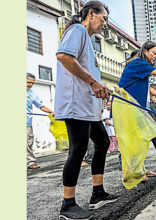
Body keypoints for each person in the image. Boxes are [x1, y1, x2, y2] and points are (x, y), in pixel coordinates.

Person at [55, 1, 117, 219]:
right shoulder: (78, 30)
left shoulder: (88, 41)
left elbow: (86, 70)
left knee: (102, 142)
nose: (105, 24)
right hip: (75, 105)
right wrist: (93, 83)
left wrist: (101, 86)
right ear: (91, 14)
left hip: (88, 107)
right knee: (78, 150)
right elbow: (63, 56)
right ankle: (68, 205)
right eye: (104, 19)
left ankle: (97, 193)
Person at [26, 73, 54, 169]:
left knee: (28, 143)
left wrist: (51, 112)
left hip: (27, 123)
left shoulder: (32, 94)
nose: (30, 84)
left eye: (32, 83)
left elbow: (41, 106)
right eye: (28, 82)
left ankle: (31, 162)